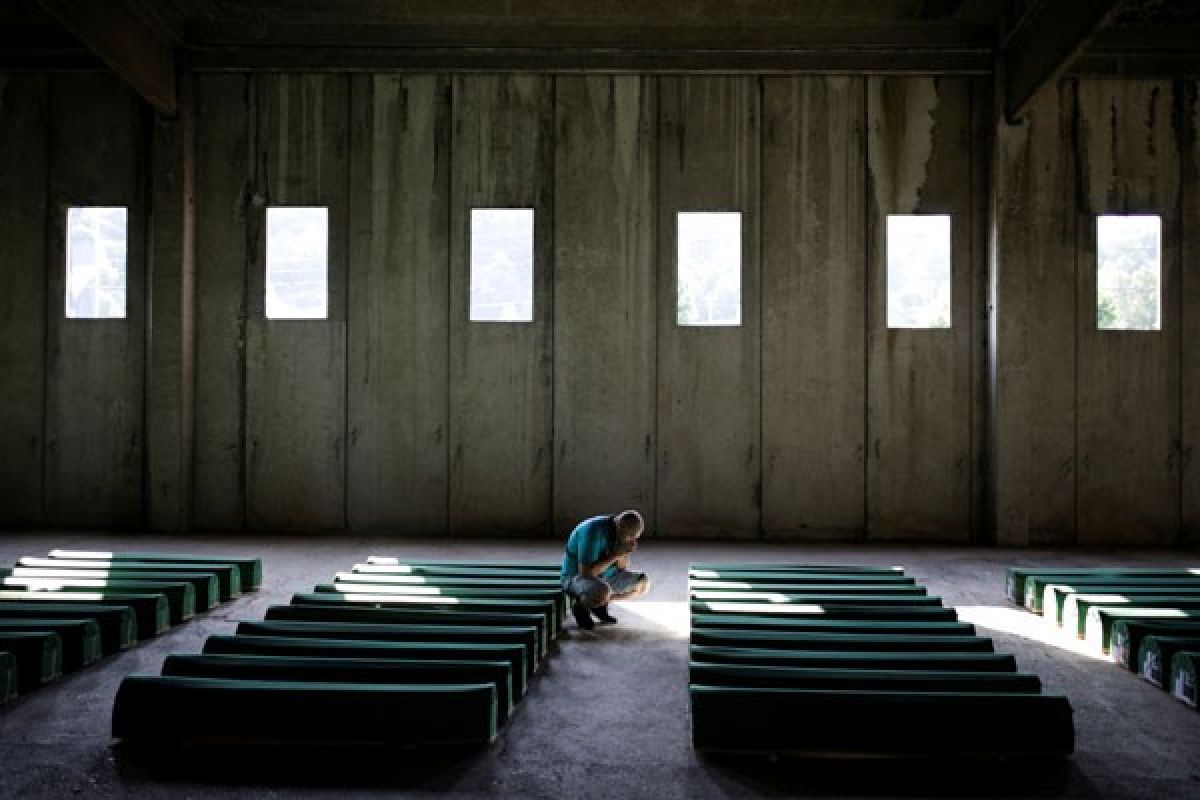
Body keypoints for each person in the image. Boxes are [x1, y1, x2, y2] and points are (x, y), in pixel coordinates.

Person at [561, 509, 651, 630]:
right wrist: (615, 555)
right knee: (603, 591)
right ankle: (581, 607)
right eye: (630, 537)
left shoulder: (622, 534)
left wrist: (625, 552)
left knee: (643, 583)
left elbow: (621, 568)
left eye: (635, 538)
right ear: (620, 526)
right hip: (576, 578)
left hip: (603, 577)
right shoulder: (592, 531)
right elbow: (587, 573)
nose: (632, 540)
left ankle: (598, 603)